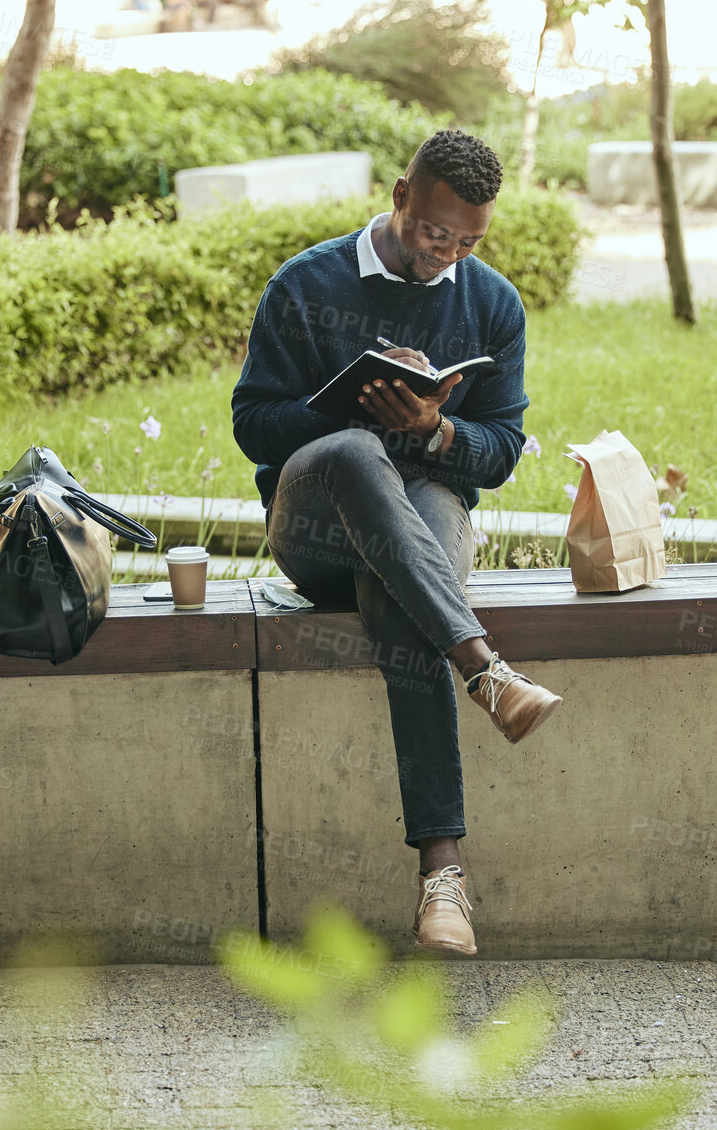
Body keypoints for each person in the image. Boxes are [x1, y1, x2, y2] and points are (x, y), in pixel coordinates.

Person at [230, 129, 563, 958]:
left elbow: (503, 451)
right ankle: (482, 667)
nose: (447, 253)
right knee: (352, 454)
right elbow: (252, 424)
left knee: (402, 589)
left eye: (468, 241)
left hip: (421, 520)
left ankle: (440, 882)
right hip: (315, 524)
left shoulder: (490, 302)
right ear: (399, 195)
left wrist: (435, 428)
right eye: (433, 232)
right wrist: (355, 408)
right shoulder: (305, 283)